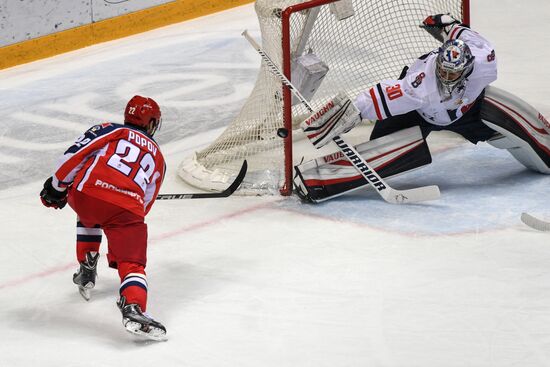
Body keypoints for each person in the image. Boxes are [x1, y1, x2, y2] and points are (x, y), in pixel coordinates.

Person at [296, 14, 550, 202]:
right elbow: (378, 97)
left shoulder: (484, 59)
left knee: (512, 124)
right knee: (378, 154)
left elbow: (462, 33)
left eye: (453, 74)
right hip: (417, 114)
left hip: (466, 111)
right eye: (443, 70)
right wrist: (346, 113)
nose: (446, 77)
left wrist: (445, 24)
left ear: (467, 68)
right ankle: (315, 182)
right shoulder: (419, 87)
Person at [39, 95, 167, 341]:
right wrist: (125, 226)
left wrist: (58, 186)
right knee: (133, 263)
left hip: (86, 194)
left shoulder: (109, 130)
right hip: (127, 210)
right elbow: (147, 202)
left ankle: (87, 265)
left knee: (89, 211)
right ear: (151, 123)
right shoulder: (159, 158)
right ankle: (133, 308)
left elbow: (75, 155)